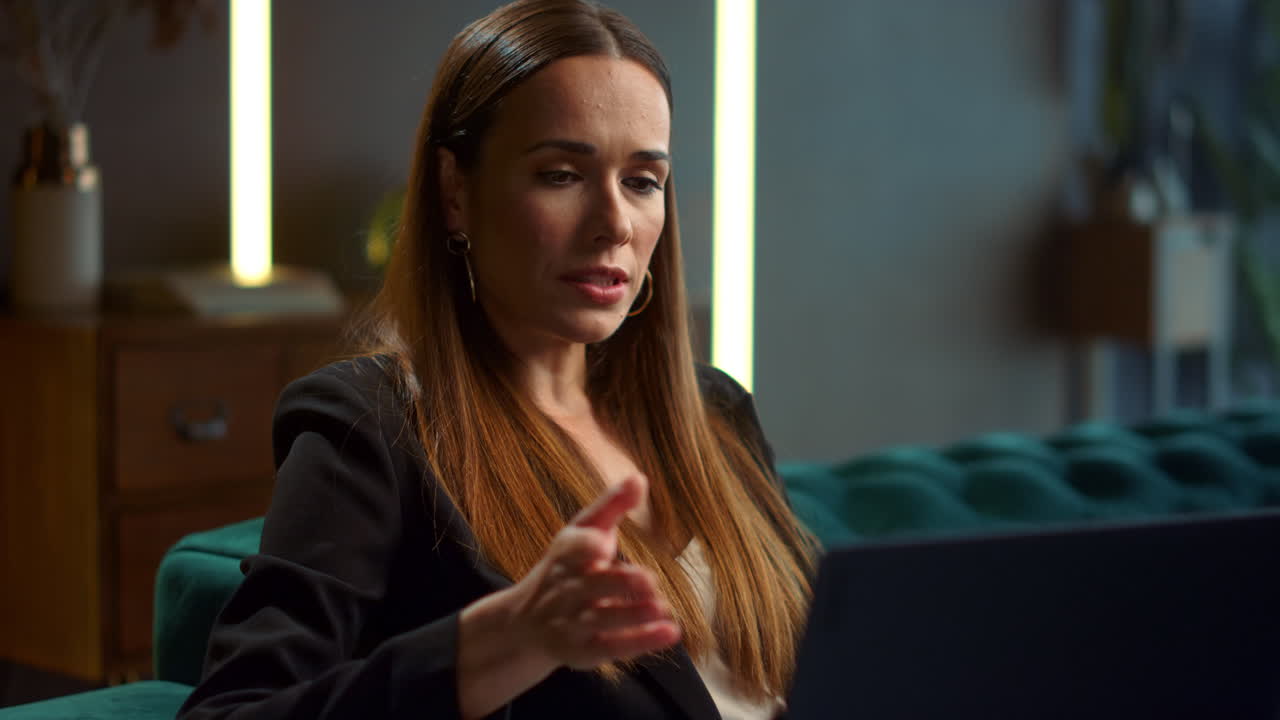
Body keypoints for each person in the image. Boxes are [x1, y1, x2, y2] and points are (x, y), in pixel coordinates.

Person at [177, 1, 817, 718]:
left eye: (642, 181)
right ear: (455, 193)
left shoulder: (718, 411)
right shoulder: (372, 430)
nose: (614, 224)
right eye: (561, 175)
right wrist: (507, 640)